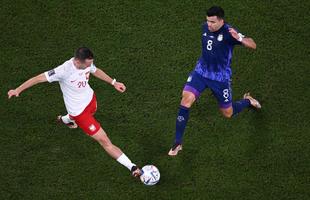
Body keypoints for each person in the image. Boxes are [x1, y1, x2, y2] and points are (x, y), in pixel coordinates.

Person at [8, 47, 142, 177]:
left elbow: (95, 70)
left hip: (91, 100)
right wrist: (18, 90)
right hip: (80, 114)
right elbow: (38, 78)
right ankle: (132, 166)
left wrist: (113, 82)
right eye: (88, 64)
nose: (90, 66)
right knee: (104, 141)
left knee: (88, 113)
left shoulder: (87, 63)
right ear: (78, 61)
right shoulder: (64, 70)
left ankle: (65, 120)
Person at [168, 6, 261, 156]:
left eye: (212, 22)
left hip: (220, 78)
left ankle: (248, 101)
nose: (208, 24)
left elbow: (253, 44)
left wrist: (240, 39)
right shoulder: (205, 27)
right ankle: (178, 142)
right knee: (186, 100)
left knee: (228, 113)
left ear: (221, 21)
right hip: (201, 72)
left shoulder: (229, 32)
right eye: (207, 21)